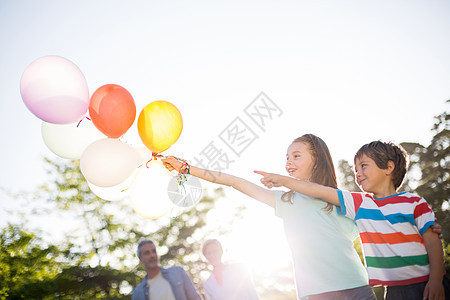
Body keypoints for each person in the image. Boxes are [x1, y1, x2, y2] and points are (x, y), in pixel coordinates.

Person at [163, 134, 376, 299]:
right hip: (315, 294)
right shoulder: (286, 202)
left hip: (355, 289)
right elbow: (234, 181)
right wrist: (188, 169)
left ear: (316, 160)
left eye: (296, 156)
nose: (289, 162)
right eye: (287, 157)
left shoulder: (342, 200)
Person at [256, 140, 446, 300]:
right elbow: (318, 191)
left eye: (363, 166)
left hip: (428, 283)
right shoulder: (360, 204)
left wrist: (436, 280)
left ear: (389, 167)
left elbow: (432, 242)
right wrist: (285, 181)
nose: (358, 174)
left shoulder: (414, 202)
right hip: (393, 290)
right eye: (355, 169)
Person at [132, 239, 201, 300]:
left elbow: (195, 298)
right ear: (140, 259)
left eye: (154, 251)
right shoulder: (138, 293)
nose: (152, 255)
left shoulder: (178, 272)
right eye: (147, 253)